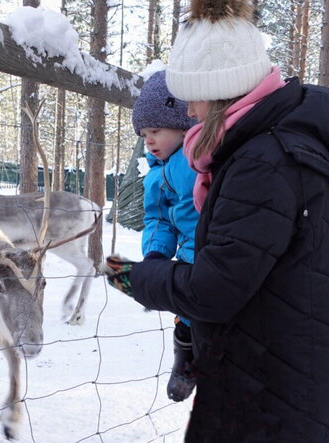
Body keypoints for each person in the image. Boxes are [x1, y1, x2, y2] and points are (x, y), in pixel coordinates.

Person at [103, 0, 329, 441]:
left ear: (224, 90)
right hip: (267, 365)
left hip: (267, 388)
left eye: (195, 98)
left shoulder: (264, 163)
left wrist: (131, 276)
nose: (189, 112)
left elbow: (213, 290)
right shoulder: (261, 149)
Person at [130, 69, 198, 402]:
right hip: (189, 257)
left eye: (155, 130)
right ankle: (185, 360)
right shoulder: (158, 176)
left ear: (183, 122)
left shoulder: (204, 154)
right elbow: (158, 217)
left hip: (224, 250)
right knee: (187, 319)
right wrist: (156, 253)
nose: (149, 141)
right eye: (144, 134)